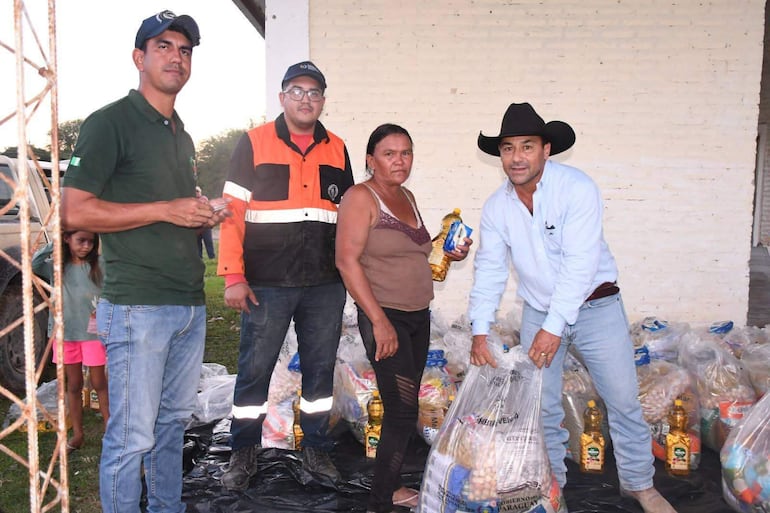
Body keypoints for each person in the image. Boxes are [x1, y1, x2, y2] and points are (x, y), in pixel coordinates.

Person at [467, 102, 677, 513]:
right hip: (538, 313)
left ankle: (639, 484)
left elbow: (580, 266)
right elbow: (490, 268)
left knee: (622, 400)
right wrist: (479, 328)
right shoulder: (496, 207)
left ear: (546, 149)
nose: (517, 157)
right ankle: (552, 489)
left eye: (527, 146)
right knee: (541, 408)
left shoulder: (577, 188)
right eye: (508, 148)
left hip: (596, 308)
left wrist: (555, 325)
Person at [61, 11, 230, 513]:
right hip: (137, 306)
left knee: (172, 428)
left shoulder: (179, 132)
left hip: (187, 305)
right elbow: (71, 209)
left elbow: (171, 212)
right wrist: (166, 209)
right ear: (139, 57)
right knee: (131, 438)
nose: (176, 56)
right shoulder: (110, 122)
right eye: (164, 46)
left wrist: (201, 210)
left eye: (185, 50)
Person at [217, 60, 354, 491]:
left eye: (314, 93)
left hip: (325, 285)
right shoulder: (254, 143)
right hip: (265, 284)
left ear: (323, 101)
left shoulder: (337, 147)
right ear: (282, 97)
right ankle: (244, 454)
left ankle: (315, 450)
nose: (306, 99)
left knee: (319, 376)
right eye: (297, 91)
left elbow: (348, 215)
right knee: (254, 372)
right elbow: (231, 213)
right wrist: (232, 275)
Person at [335, 124, 471, 513]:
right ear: (370, 160)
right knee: (401, 410)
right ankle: (381, 498)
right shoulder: (361, 197)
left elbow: (416, 251)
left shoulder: (406, 196)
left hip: (417, 315)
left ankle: (391, 486)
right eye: (389, 153)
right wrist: (378, 322)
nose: (399, 160)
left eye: (406, 152)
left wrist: (448, 252)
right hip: (386, 317)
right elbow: (346, 261)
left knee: (403, 409)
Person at [32, 231, 109, 452]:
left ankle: (109, 430)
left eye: (91, 242)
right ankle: (77, 434)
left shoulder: (99, 264)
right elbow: (34, 264)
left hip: (93, 336)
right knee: (73, 385)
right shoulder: (56, 267)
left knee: (99, 383)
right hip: (65, 336)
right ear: (67, 239)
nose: (86, 246)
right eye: (80, 241)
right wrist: (53, 243)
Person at [196, 186, 216, 258]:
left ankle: (211, 256)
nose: (196, 193)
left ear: (200, 192)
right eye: (195, 191)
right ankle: (199, 257)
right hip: (197, 225)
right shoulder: (192, 200)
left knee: (208, 241)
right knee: (197, 243)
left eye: (197, 191)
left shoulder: (204, 198)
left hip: (206, 224)